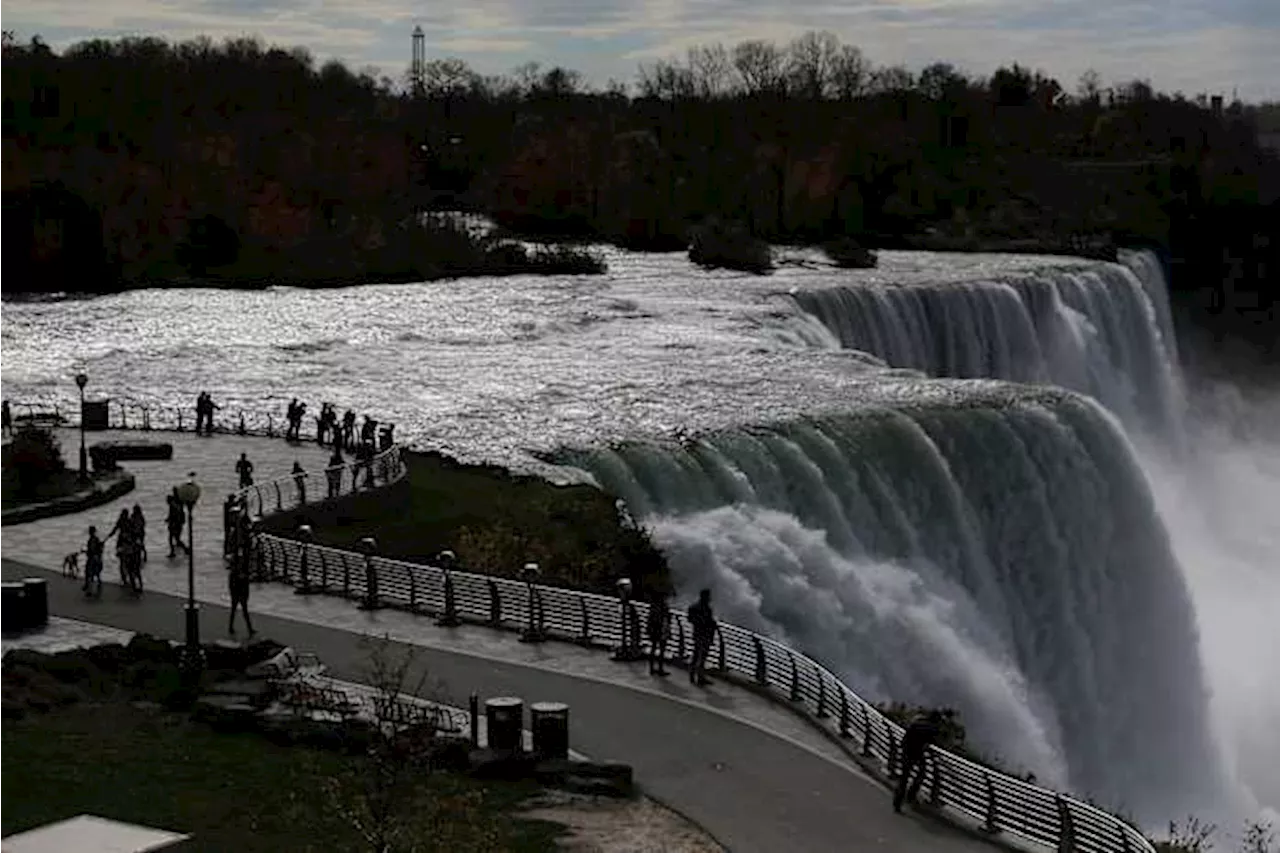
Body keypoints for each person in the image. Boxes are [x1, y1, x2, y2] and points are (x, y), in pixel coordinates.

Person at [893, 710, 945, 813]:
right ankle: (910, 796)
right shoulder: (932, 728)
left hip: (907, 750)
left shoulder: (917, 722)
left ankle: (897, 803)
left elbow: (906, 736)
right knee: (921, 774)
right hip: (917, 753)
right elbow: (932, 742)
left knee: (904, 779)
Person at [687, 588, 716, 686]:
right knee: (700, 656)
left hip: (701, 634)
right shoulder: (699, 608)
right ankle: (697, 676)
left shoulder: (697, 608)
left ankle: (696, 676)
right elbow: (692, 619)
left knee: (699, 656)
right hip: (702, 634)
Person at [227, 549, 255, 637]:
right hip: (240, 593)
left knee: (235, 610)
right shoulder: (238, 575)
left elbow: (231, 586)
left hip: (237, 593)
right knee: (243, 611)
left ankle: (232, 627)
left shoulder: (233, 575)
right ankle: (249, 628)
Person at [646, 588, 670, 676]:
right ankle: (660, 668)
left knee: (653, 648)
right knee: (661, 649)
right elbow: (666, 619)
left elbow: (650, 619)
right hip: (660, 630)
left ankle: (652, 668)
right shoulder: (663, 606)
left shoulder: (653, 605)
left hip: (654, 630)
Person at [83, 525, 104, 596]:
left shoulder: (92, 540)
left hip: (93, 559)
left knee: (90, 574)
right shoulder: (95, 539)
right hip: (96, 558)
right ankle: (96, 586)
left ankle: (89, 589)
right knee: (95, 574)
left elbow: (93, 550)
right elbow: (99, 550)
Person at [167, 488, 187, 558]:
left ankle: (174, 552)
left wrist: (170, 520)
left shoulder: (173, 506)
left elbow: (173, 515)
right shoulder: (175, 504)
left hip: (175, 525)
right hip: (176, 524)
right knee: (176, 539)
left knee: (173, 539)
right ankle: (185, 549)